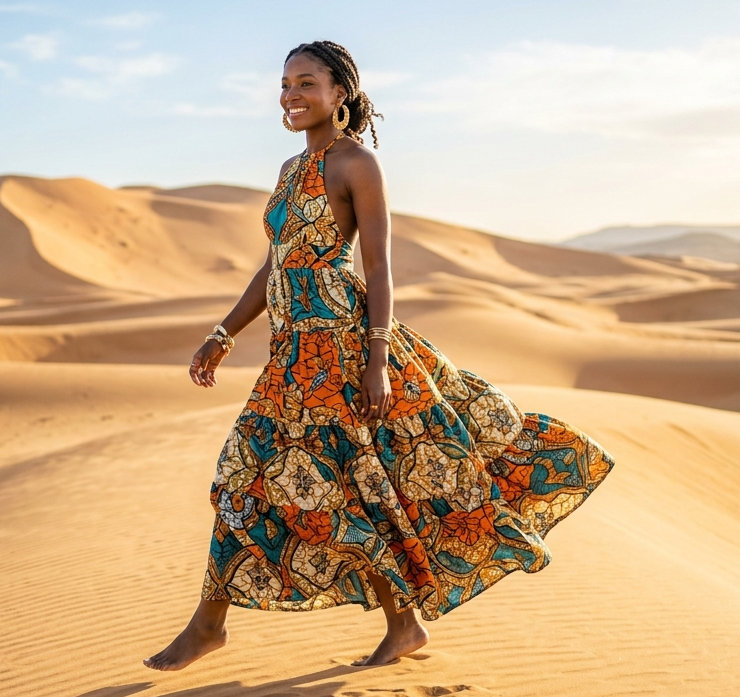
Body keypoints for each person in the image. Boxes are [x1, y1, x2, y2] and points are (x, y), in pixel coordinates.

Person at [144, 40, 614, 671]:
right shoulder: (289, 170)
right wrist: (223, 333)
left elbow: (380, 266)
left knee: (354, 485)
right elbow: (276, 264)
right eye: (284, 84)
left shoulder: (355, 164)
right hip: (290, 355)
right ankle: (377, 625)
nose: (291, 95)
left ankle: (219, 624)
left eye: (306, 82)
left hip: (341, 347)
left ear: (341, 92)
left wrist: (375, 359)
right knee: (254, 481)